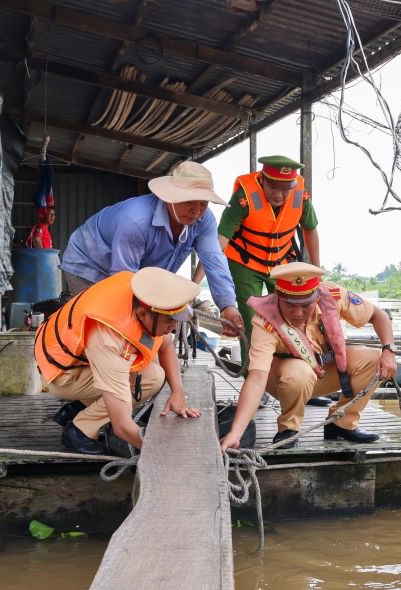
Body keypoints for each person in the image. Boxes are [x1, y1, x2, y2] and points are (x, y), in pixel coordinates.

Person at [219, 262, 397, 451]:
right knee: (299, 371)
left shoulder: (335, 296)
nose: (297, 313)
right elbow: (256, 379)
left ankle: (341, 423)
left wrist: (389, 350)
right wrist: (236, 433)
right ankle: (289, 429)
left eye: (305, 305)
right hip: (284, 379)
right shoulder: (265, 321)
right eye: (289, 305)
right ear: (278, 296)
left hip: (324, 371)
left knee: (374, 358)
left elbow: (379, 315)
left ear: (317, 296)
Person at [59, 160, 243, 336]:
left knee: (149, 327)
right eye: (190, 201)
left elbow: (214, 260)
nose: (197, 210)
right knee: (106, 324)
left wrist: (228, 306)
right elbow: (122, 279)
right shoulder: (136, 220)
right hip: (88, 263)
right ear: (171, 197)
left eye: (203, 203)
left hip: (129, 271)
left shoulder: (204, 220)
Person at [34, 267, 202, 454]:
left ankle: (79, 408)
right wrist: (167, 452)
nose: (173, 327)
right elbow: (122, 426)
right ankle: (80, 430)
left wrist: (178, 392)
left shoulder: (143, 296)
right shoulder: (108, 338)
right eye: (170, 321)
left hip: (75, 357)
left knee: (153, 364)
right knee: (151, 378)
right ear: (143, 314)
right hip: (61, 373)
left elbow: (166, 346)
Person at [195, 156, 320, 366]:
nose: (279, 195)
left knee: (290, 314)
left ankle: (290, 368)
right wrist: (195, 282)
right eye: (273, 187)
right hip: (245, 263)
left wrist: (315, 271)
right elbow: (218, 243)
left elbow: (310, 229)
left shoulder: (301, 195)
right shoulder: (244, 197)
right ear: (262, 179)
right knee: (250, 320)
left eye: (285, 188)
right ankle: (251, 372)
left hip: (281, 264)